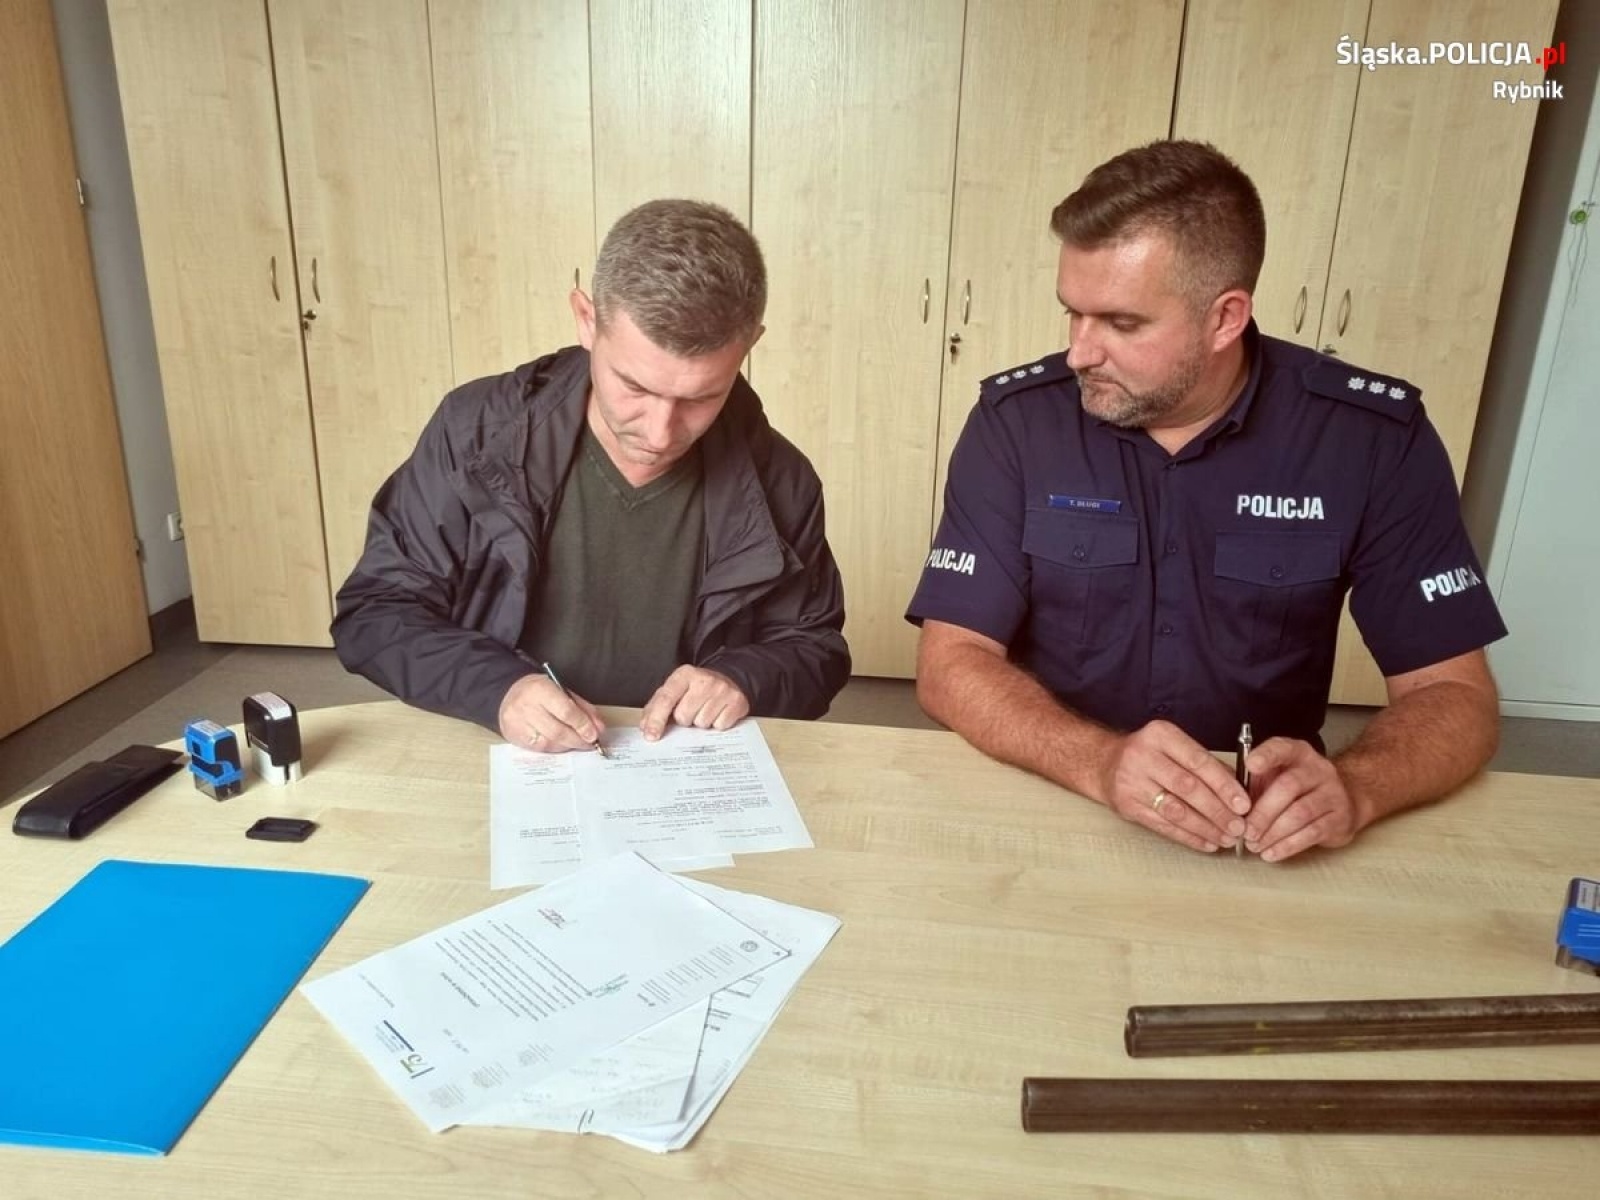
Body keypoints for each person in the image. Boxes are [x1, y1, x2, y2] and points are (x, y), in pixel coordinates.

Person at [906, 140, 1506, 863]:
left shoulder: (1370, 438)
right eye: (1073, 313)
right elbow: (951, 662)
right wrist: (1097, 761)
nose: (1080, 353)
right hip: (1057, 788)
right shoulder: (1018, 423)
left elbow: (1456, 694)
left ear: (1225, 318)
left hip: (1259, 830)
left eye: (1122, 323)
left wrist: (1356, 787)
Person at [333, 199, 849, 752]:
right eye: (635, 387)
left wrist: (745, 679)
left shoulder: (781, 480)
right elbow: (376, 612)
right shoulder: (475, 434)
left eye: (700, 398)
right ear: (586, 319)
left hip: (684, 764)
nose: (660, 433)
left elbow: (815, 649)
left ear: (749, 346)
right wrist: (496, 689)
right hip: (500, 745)